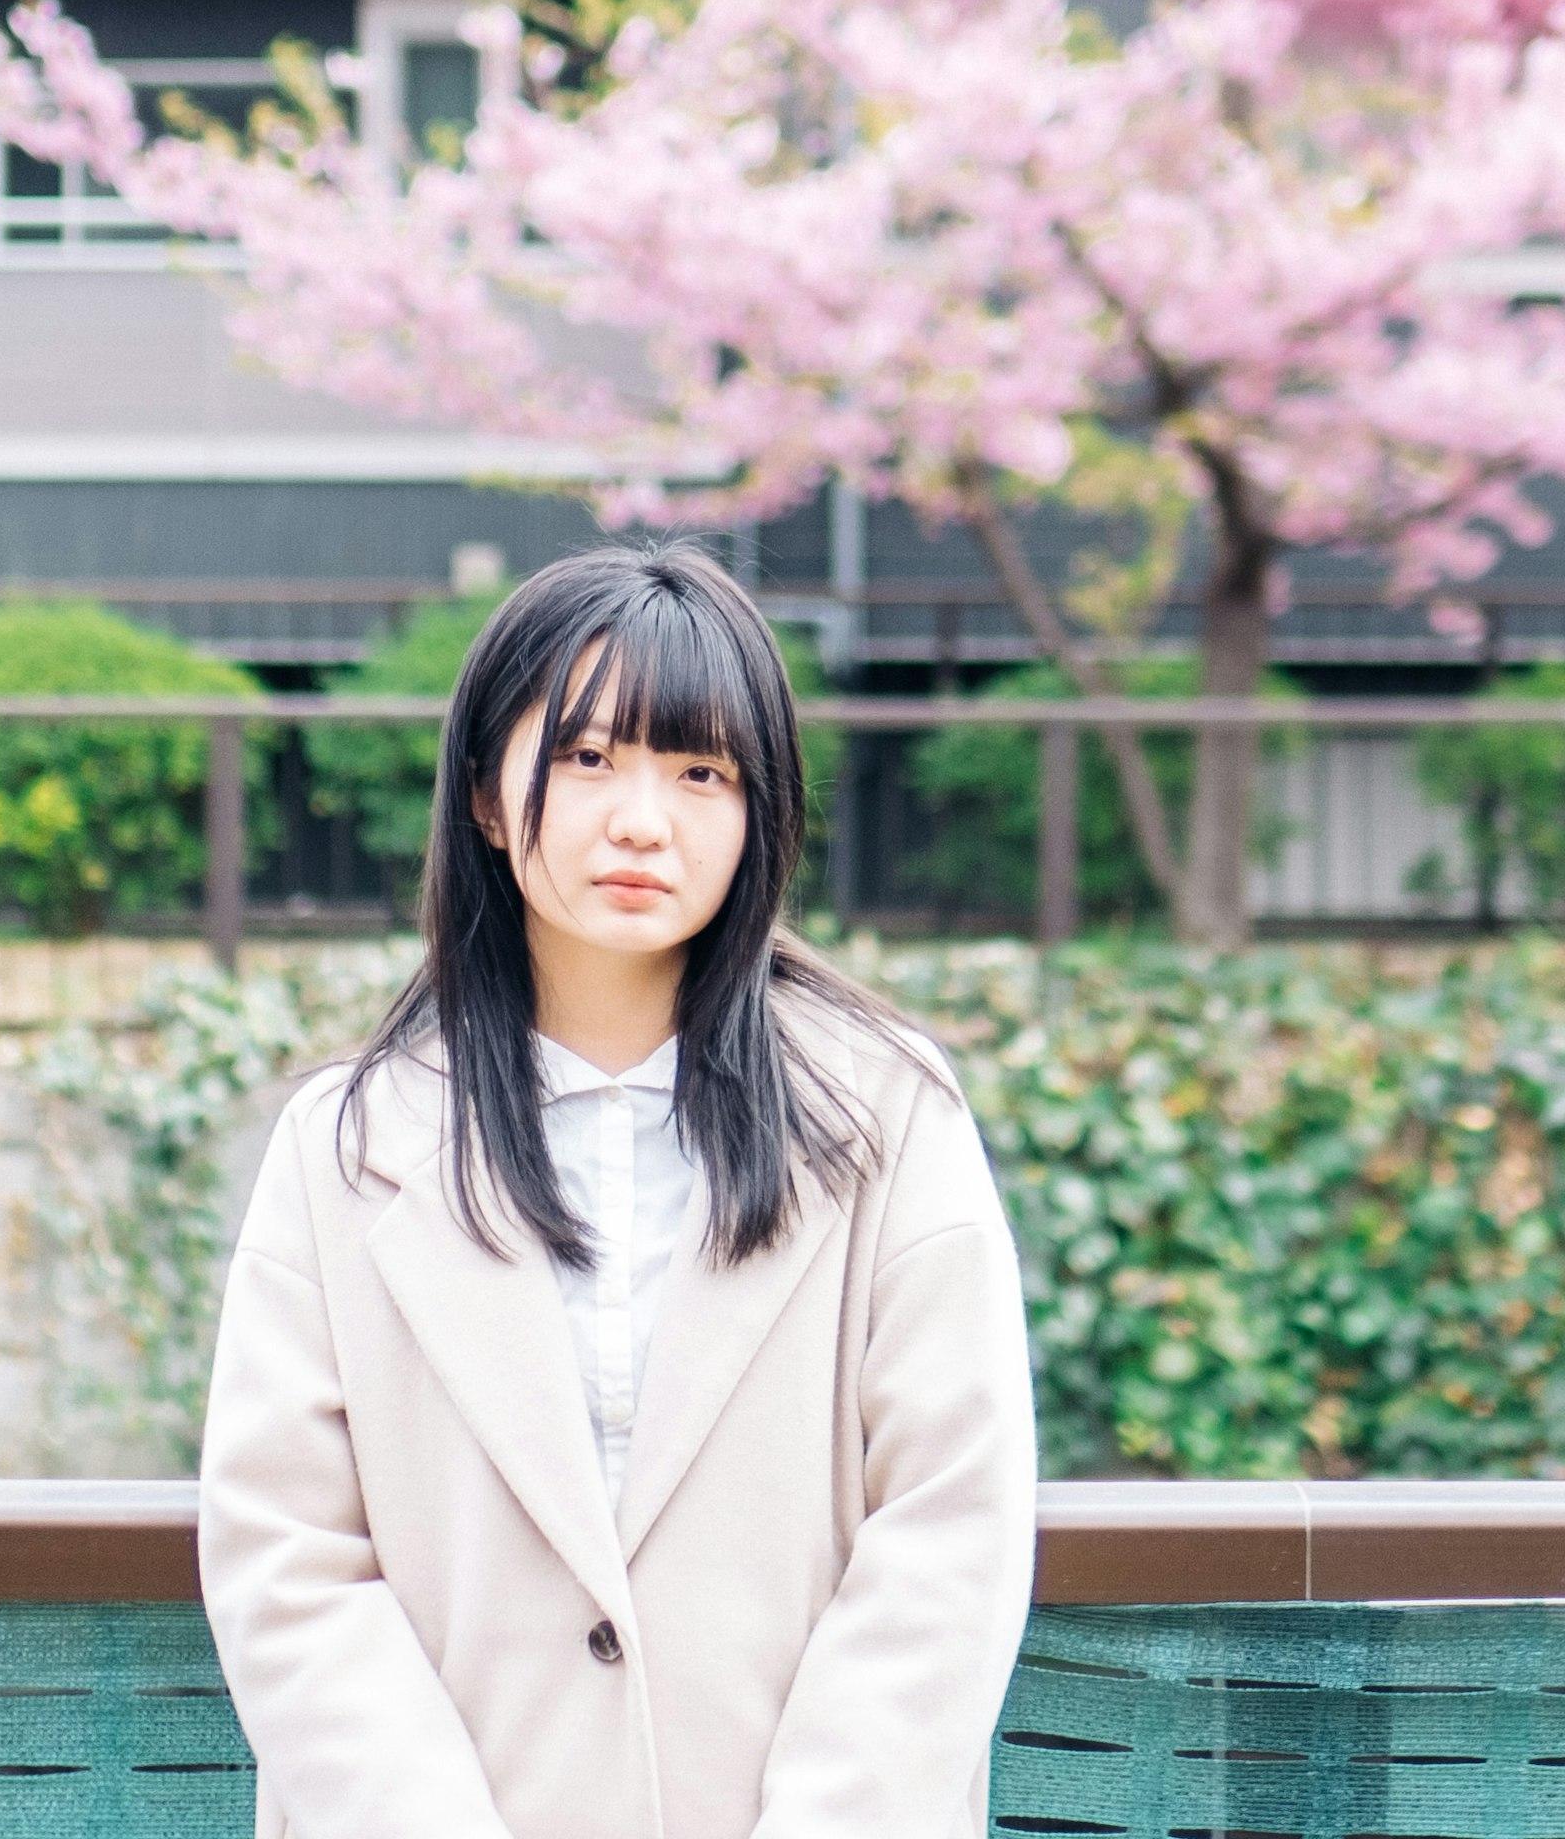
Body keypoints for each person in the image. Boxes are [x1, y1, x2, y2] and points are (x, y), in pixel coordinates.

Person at [198, 540, 1039, 1839]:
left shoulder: (884, 1116)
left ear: (761, 815)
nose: (644, 818)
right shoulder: (348, 1148)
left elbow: (952, 1526)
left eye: (703, 772)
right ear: (486, 793)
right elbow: (286, 1554)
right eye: (588, 759)